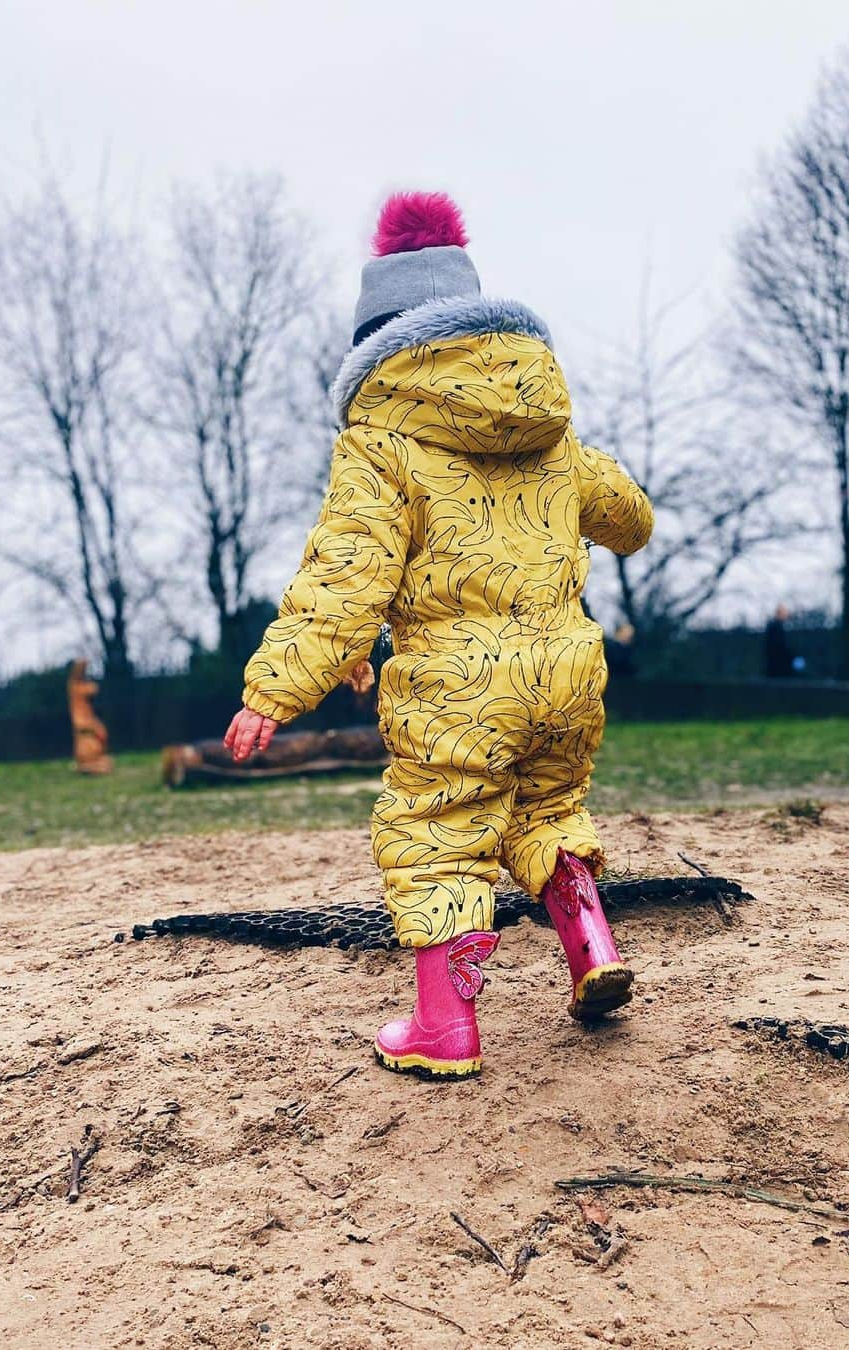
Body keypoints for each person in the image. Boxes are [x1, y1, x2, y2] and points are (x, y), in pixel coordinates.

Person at [224, 192, 654, 1079]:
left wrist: (275, 687)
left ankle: (444, 1028)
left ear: (375, 337)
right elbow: (629, 520)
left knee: (438, 830)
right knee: (547, 811)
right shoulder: (547, 422)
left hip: (460, 684)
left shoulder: (382, 434)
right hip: (568, 672)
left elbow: (349, 574)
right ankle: (590, 940)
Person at [765, 603, 795, 678]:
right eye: (784, 613)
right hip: (776, 661)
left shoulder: (777, 627)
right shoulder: (775, 627)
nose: (786, 616)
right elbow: (777, 645)